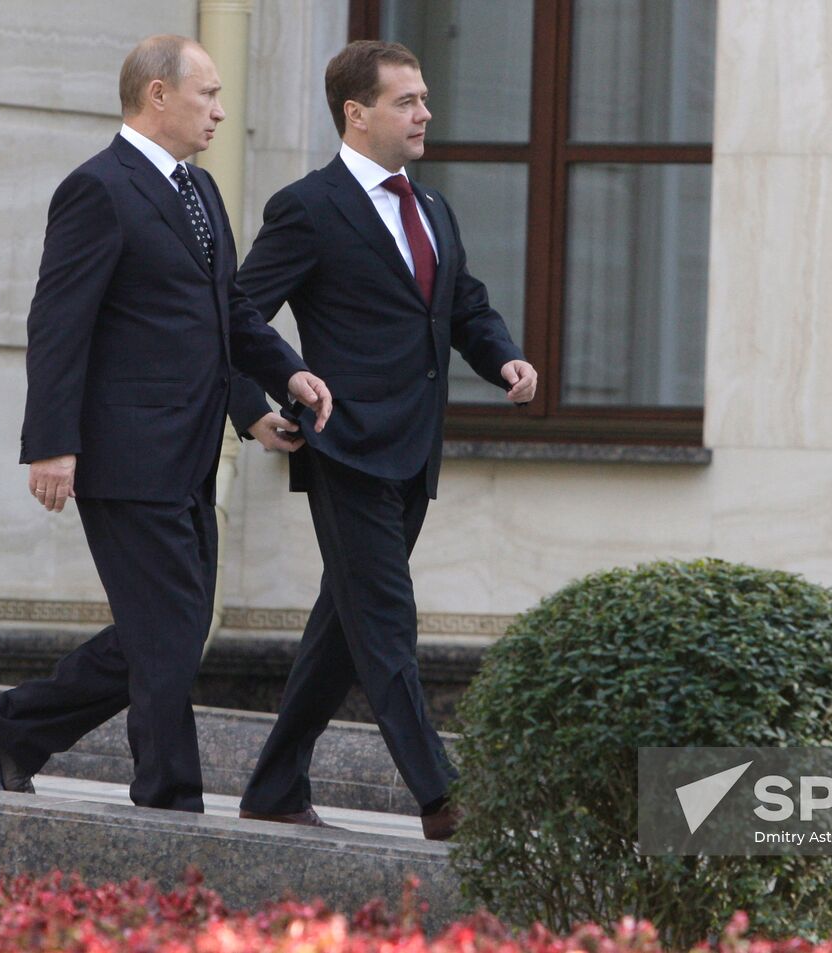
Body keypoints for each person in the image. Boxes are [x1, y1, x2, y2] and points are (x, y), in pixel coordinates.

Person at [0, 34, 332, 814]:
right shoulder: (96, 188)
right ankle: (169, 800)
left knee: (160, 629)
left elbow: (223, 313)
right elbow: (57, 324)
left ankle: (16, 724)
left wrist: (275, 386)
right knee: (168, 630)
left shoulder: (199, 193)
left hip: (191, 450)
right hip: (123, 455)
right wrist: (51, 444)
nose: (221, 112)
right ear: (158, 95)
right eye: (208, 95)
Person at [227, 40, 536, 840]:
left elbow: (464, 305)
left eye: (425, 98)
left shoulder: (432, 209)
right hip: (344, 448)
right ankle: (443, 796)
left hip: (414, 452)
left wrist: (502, 355)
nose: (425, 112)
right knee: (389, 620)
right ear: (356, 114)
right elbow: (233, 315)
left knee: (346, 623)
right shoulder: (307, 207)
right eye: (407, 101)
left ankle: (272, 784)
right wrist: (254, 405)